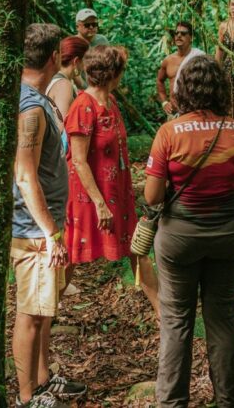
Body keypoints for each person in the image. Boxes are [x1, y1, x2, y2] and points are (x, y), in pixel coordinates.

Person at [144, 55, 234, 408]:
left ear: (181, 90)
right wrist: (230, 189)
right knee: (223, 316)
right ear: (221, 90)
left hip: (179, 237)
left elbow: (152, 196)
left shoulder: (169, 133)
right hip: (227, 233)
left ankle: (171, 402)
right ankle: (229, 400)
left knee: (176, 320)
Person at [11, 24, 87, 408]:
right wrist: (50, 233)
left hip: (42, 227)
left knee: (43, 311)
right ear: (54, 57)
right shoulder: (29, 108)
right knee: (30, 313)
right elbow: (25, 175)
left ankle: (42, 380)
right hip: (33, 230)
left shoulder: (33, 99)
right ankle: (27, 398)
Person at [64, 45, 160, 315]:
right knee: (71, 256)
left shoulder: (111, 101)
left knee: (136, 248)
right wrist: (99, 203)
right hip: (89, 196)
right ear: (112, 74)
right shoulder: (83, 106)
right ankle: (44, 316)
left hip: (117, 191)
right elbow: (79, 160)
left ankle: (164, 315)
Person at [156, 21, 206, 117]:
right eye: (176, 33)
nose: (179, 36)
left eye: (183, 33)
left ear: (191, 38)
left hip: (195, 112)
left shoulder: (198, 58)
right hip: (174, 113)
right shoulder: (168, 60)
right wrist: (164, 102)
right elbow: (159, 80)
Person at [47, 36, 91, 120]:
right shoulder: (63, 85)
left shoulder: (57, 78)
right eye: (86, 60)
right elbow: (63, 126)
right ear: (76, 61)